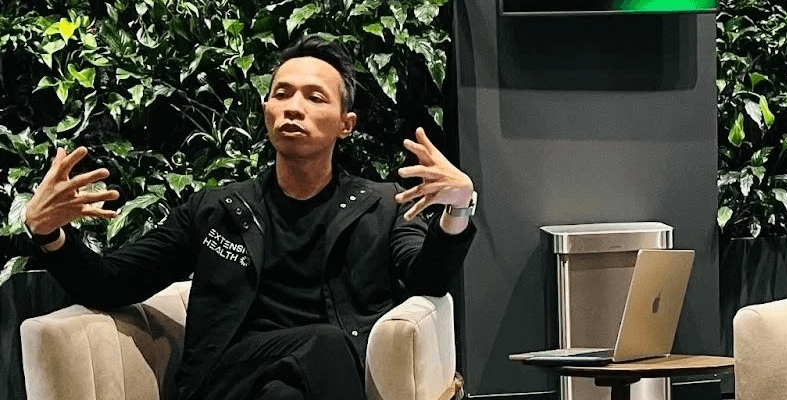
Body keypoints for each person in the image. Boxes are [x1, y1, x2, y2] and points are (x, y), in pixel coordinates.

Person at [20, 35, 477, 400]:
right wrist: (49, 234)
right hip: (227, 378)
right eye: (282, 94)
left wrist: (458, 206)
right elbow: (112, 282)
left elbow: (425, 280)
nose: (294, 107)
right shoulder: (216, 209)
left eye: (315, 97)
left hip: (322, 380)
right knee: (322, 343)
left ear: (346, 123)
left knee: (289, 388)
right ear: (266, 112)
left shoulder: (383, 205)